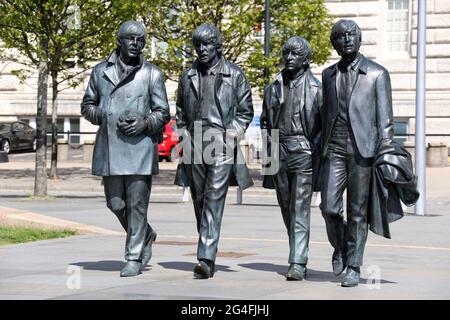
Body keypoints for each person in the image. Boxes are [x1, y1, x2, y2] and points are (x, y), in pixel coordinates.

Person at [81, 21, 170, 277]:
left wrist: (144, 123)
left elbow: (163, 112)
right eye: (130, 39)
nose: (136, 44)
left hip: (140, 147)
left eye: (140, 39)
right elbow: (87, 105)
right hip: (111, 147)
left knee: (137, 205)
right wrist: (105, 114)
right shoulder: (100, 71)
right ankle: (146, 234)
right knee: (116, 204)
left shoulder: (151, 73)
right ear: (119, 41)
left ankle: (133, 256)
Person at [175, 23, 254, 279]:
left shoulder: (235, 75)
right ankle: (208, 246)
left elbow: (245, 112)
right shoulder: (187, 76)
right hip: (194, 143)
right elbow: (179, 111)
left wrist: (231, 134)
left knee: (213, 198)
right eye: (198, 45)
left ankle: (205, 257)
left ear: (217, 45)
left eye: (206, 44)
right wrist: (183, 133)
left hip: (221, 143)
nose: (201, 49)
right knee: (199, 199)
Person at [319, 19, 394, 287]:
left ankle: (353, 264)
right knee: (328, 207)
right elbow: (323, 113)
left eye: (352, 34)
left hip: (364, 150)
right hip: (335, 147)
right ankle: (340, 245)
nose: (347, 38)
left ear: (360, 39)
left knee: (358, 211)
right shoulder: (327, 75)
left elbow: (385, 122)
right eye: (341, 35)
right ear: (335, 43)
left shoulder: (377, 74)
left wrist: (385, 154)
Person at [260, 36, 322, 281]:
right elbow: (266, 119)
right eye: (286, 53)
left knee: (299, 207)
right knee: (286, 207)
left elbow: (322, 125)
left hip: (303, 150)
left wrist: (311, 148)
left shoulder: (317, 88)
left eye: (295, 54)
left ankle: (298, 261)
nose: (288, 58)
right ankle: (297, 249)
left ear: (306, 60)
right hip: (278, 149)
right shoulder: (273, 86)